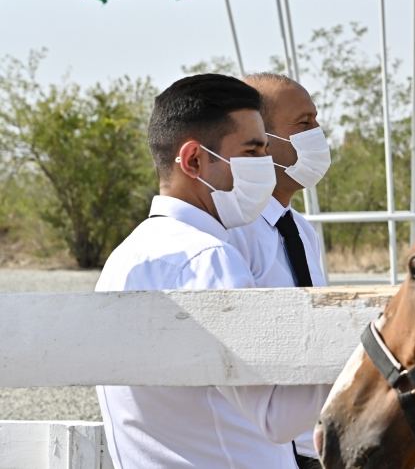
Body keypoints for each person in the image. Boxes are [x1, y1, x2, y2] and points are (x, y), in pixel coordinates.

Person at [95, 74, 330, 469]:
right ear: (193, 160)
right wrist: (379, 350)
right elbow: (277, 416)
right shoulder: (207, 259)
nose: (265, 168)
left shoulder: (127, 256)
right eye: (253, 152)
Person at [229, 73, 332, 469]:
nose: (318, 135)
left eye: (317, 122)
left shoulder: (301, 229)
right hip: (268, 449)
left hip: (314, 445)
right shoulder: (233, 237)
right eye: (304, 125)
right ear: (260, 139)